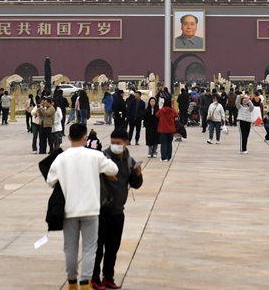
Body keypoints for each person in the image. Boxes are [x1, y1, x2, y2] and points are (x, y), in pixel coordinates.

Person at [45, 122, 119, 290]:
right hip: (91, 208)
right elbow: (113, 168)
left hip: (69, 209)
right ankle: (85, 282)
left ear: (69, 137)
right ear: (85, 137)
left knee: (70, 248)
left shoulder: (61, 158)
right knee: (90, 247)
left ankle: (72, 282)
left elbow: (50, 181)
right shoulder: (95, 156)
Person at [92, 128, 143, 290]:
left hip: (118, 212)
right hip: (101, 211)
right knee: (98, 248)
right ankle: (94, 278)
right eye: (112, 142)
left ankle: (108, 277)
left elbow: (136, 185)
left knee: (113, 248)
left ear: (126, 143)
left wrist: (137, 175)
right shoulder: (102, 158)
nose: (114, 146)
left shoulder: (129, 161)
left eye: (118, 143)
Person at [154, 96, 177, 161]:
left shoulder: (161, 110)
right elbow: (176, 115)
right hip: (171, 129)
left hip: (163, 129)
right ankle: (168, 156)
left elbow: (157, 115)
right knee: (169, 143)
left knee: (163, 143)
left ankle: (164, 157)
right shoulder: (172, 111)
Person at [236, 90, 254, 154]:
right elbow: (237, 102)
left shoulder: (249, 108)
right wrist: (240, 96)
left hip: (248, 121)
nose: (245, 101)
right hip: (241, 121)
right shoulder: (240, 107)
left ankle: (245, 148)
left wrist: (248, 100)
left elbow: (252, 107)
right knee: (242, 135)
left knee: (246, 135)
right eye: (244, 100)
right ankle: (242, 149)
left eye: (246, 100)